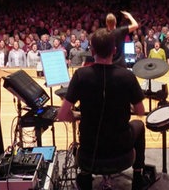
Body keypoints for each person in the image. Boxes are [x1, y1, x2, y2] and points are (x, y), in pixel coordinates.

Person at [56, 28, 147, 190]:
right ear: (114, 50)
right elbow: (140, 112)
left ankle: (85, 176)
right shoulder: (127, 76)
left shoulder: (81, 75)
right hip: (121, 150)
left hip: (89, 153)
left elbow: (62, 115)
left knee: (85, 131)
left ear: (92, 51)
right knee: (139, 126)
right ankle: (138, 176)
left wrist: (78, 115)